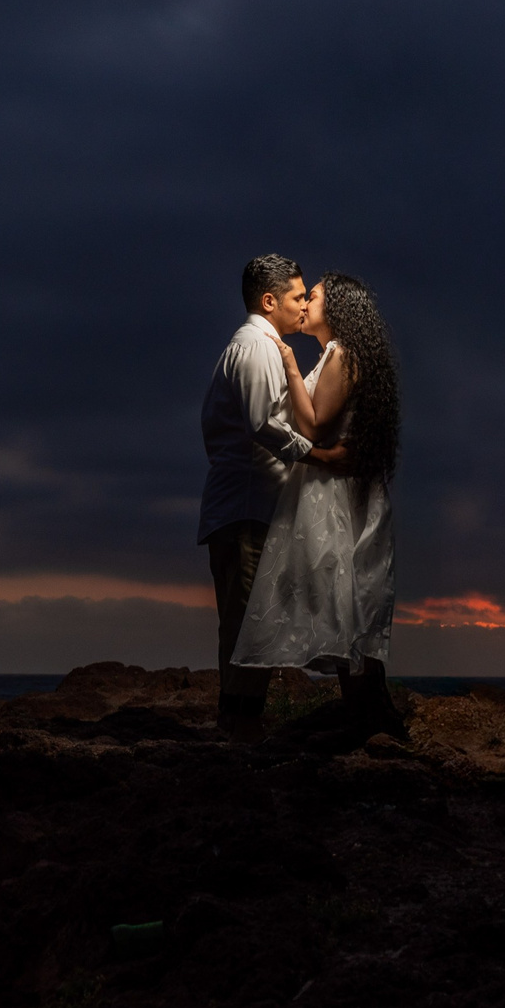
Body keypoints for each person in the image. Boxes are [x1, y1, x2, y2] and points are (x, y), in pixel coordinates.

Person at [232, 272, 403, 733]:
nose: (305, 304)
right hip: (330, 491)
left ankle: (364, 722)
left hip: (333, 499)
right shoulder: (337, 354)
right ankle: (366, 719)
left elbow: (313, 428)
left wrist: (288, 362)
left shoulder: (341, 354)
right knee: (342, 600)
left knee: (342, 597)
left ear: (340, 309)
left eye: (315, 296)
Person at [199, 255, 348, 740]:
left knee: (252, 623)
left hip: (248, 508)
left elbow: (282, 411)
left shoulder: (265, 348)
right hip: (246, 511)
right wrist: (324, 459)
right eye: (297, 296)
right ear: (269, 301)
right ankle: (238, 728)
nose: (305, 303)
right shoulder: (256, 349)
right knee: (244, 624)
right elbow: (265, 425)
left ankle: (241, 723)